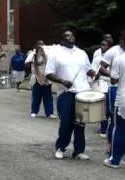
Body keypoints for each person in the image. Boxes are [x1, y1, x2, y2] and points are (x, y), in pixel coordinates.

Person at [45, 30, 97, 160]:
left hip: (83, 92)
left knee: (80, 123)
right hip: (66, 93)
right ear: (62, 40)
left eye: (73, 35)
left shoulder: (81, 53)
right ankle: (61, 148)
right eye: (68, 36)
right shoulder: (56, 54)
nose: (71, 37)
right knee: (66, 122)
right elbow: (48, 73)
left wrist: (93, 73)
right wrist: (62, 81)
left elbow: (87, 68)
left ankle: (78, 151)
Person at [100, 30, 125, 162]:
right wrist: (115, 75)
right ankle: (110, 146)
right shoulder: (113, 51)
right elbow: (101, 69)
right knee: (114, 120)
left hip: (122, 89)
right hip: (115, 88)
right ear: (121, 38)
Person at [104, 53, 125, 168]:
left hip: (123, 99)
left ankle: (115, 160)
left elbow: (113, 80)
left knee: (119, 129)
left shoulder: (119, 58)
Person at [25, 40, 55, 119]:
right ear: (36, 46)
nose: (41, 46)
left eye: (42, 45)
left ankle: (49, 113)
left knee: (48, 97)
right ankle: (34, 111)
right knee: (36, 96)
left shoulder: (48, 54)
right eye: (39, 45)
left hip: (47, 78)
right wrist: (33, 60)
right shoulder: (33, 53)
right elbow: (26, 63)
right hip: (36, 77)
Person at [91, 40, 113, 138]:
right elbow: (91, 70)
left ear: (109, 47)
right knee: (103, 108)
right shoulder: (97, 58)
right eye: (101, 45)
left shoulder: (114, 57)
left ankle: (110, 127)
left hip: (111, 84)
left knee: (109, 109)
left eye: (104, 45)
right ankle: (103, 129)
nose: (102, 47)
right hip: (100, 84)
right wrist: (94, 76)